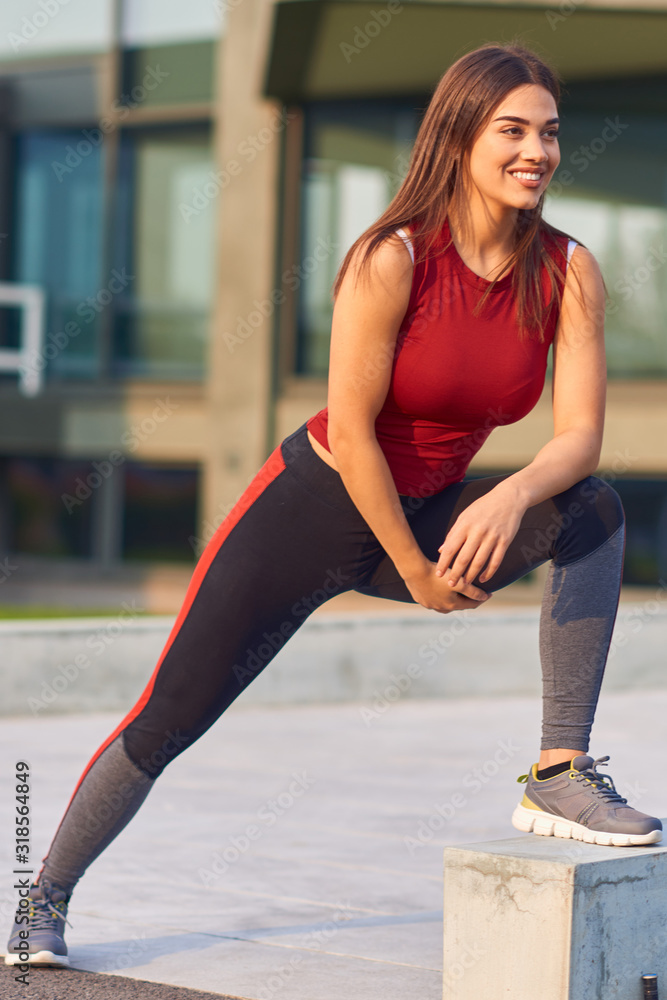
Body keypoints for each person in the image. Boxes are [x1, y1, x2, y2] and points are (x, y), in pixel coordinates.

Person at [5, 41, 662, 970]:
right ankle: (41, 897)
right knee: (172, 711)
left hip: (429, 509)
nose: (536, 150)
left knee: (589, 510)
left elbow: (577, 438)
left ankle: (559, 771)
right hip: (311, 509)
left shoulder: (566, 270)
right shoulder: (392, 257)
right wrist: (410, 569)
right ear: (460, 137)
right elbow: (353, 434)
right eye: (511, 130)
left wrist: (507, 495)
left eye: (549, 133)